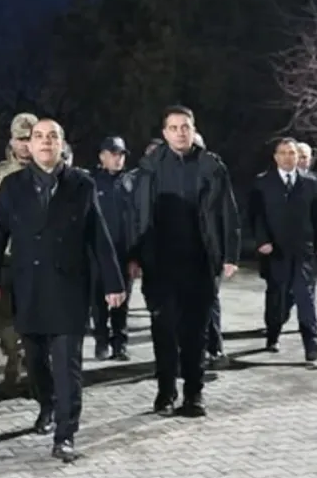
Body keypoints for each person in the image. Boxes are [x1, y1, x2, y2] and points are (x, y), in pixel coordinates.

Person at [0, 119, 126, 462]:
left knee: (67, 367)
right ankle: (46, 404)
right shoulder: (12, 185)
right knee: (35, 362)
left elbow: (98, 235)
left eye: (53, 136)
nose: (46, 142)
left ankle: (66, 433)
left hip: (68, 287)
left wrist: (113, 282)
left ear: (62, 145)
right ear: (28, 146)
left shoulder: (81, 184)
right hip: (28, 286)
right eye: (39, 137)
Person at [128, 105, 240, 418]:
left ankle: (194, 394)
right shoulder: (150, 167)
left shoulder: (211, 166)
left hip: (199, 262)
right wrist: (133, 255)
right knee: (163, 330)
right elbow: (137, 215)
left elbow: (228, 212)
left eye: (185, 127)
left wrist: (230, 255)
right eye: (174, 127)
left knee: (195, 333)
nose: (180, 132)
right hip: (160, 264)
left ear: (193, 130)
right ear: (164, 133)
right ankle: (165, 392)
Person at [250, 137, 317, 362]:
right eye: (283, 153)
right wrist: (262, 241)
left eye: (292, 153)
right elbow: (255, 216)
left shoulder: (310, 183)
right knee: (279, 297)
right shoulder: (263, 183)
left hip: (303, 250)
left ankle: (311, 344)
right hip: (275, 251)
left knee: (305, 295)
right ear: (276, 157)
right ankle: (273, 333)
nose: (288, 157)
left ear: (298, 157)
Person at [0, 112, 37, 392]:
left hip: (38, 261)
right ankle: (13, 355)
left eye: (31, 138)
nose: (26, 145)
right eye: (21, 139)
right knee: (3, 318)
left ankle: (30, 366)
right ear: (12, 141)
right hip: (6, 259)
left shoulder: (52, 171)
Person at [91, 136, 134, 361]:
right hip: (97, 253)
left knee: (122, 301)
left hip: (123, 253)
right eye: (113, 154)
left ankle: (120, 343)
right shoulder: (92, 182)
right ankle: (101, 341)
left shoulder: (131, 182)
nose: (118, 159)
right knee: (98, 301)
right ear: (102, 156)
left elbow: (138, 221)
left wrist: (136, 256)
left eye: (121, 155)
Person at [192, 133, 228, 369]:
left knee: (209, 300)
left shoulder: (215, 172)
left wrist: (228, 254)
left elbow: (226, 214)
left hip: (209, 251)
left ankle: (214, 348)